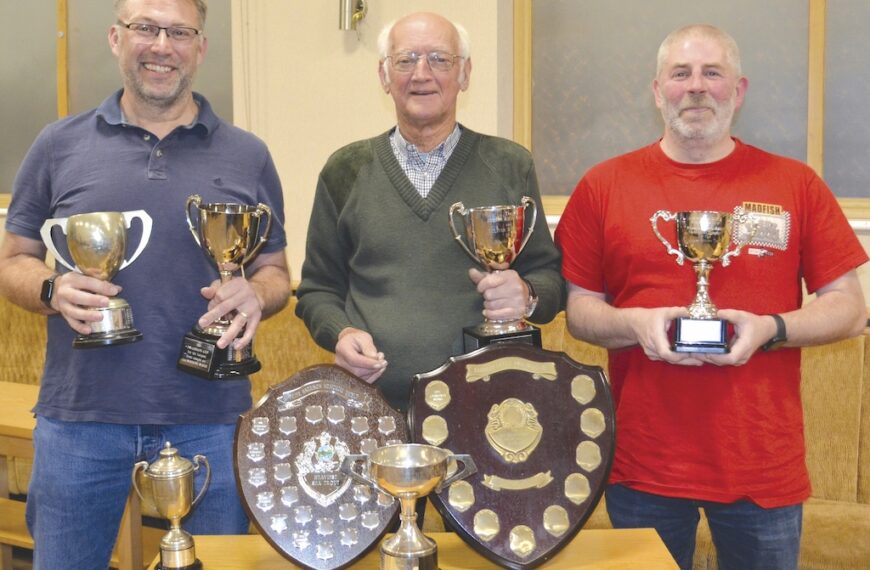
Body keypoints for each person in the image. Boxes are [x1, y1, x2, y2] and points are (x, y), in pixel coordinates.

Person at [555, 24, 868, 570]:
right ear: (658, 91)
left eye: (712, 73)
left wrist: (773, 328)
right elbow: (579, 310)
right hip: (642, 465)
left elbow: (849, 305)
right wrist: (637, 325)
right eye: (681, 73)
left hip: (761, 466)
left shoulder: (795, 183)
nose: (696, 87)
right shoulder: (603, 186)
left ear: (738, 90)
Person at [0, 0, 290, 568]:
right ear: (115, 38)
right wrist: (51, 290)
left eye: (180, 31)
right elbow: (13, 260)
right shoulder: (57, 144)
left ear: (201, 47)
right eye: (146, 28)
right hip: (81, 419)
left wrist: (257, 293)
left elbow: (275, 272)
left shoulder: (248, 154)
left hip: (211, 415)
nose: (163, 46)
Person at [295, 12, 564, 412]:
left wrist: (525, 295)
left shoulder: (509, 165)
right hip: (375, 408)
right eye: (406, 60)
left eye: (440, 59)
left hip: (489, 408)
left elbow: (551, 281)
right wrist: (341, 331)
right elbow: (317, 290)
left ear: (465, 74)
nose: (421, 74)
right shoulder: (344, 170)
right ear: (384, 76)